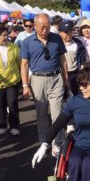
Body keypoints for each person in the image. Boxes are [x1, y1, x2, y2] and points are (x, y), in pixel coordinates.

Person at [21, 13, 70, 156]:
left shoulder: (57, 39)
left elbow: (63, 59)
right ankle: (44, 141)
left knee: (58, 113)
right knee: (41, 113)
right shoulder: (27, 42)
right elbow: (24, 64)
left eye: (47, 27)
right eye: (42, 27)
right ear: (35, 26)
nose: (45, 30)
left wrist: (65, 79)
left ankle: (58, 142)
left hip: (55, 78)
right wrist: (25, 85)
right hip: (37, 80)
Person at [59, 21, 87, 96]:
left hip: (74, 73)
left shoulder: (78, 43)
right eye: (66, 32)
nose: (68, 34)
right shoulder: (56, 44)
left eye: (70, 31)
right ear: (60, 33)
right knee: (61, 95)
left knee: (75, 94)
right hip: (60, 74)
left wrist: (81, 73)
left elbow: (82, 59)